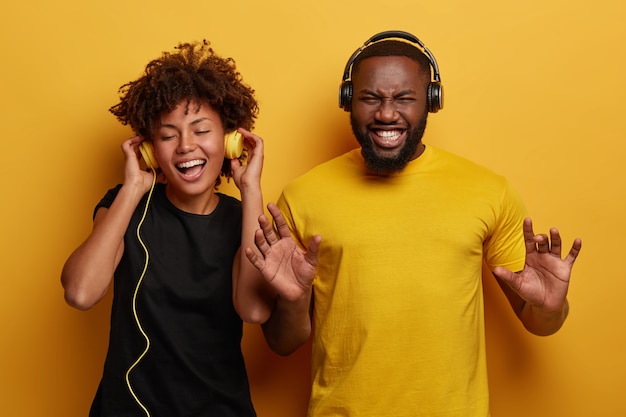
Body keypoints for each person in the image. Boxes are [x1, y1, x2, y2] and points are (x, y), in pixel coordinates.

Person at [240, 31, 583, 417]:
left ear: (431, 102)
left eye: (404, 98)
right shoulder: (302, 196)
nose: (387, 114)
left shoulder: (489, 192)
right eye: (371, 98)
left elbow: (541, 324)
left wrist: (551, 307)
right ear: (349, 102)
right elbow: (282, 344)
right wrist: (295, 297)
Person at [61, 40, 268, 417]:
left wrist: (251, 187)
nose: (185, 146)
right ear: (149, 148)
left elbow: (254, 309)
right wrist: (133, 188)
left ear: (231, 139)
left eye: (201, 130)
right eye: (168, 135)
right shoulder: (126, 205)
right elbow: (80, 292)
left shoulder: (244, 219)